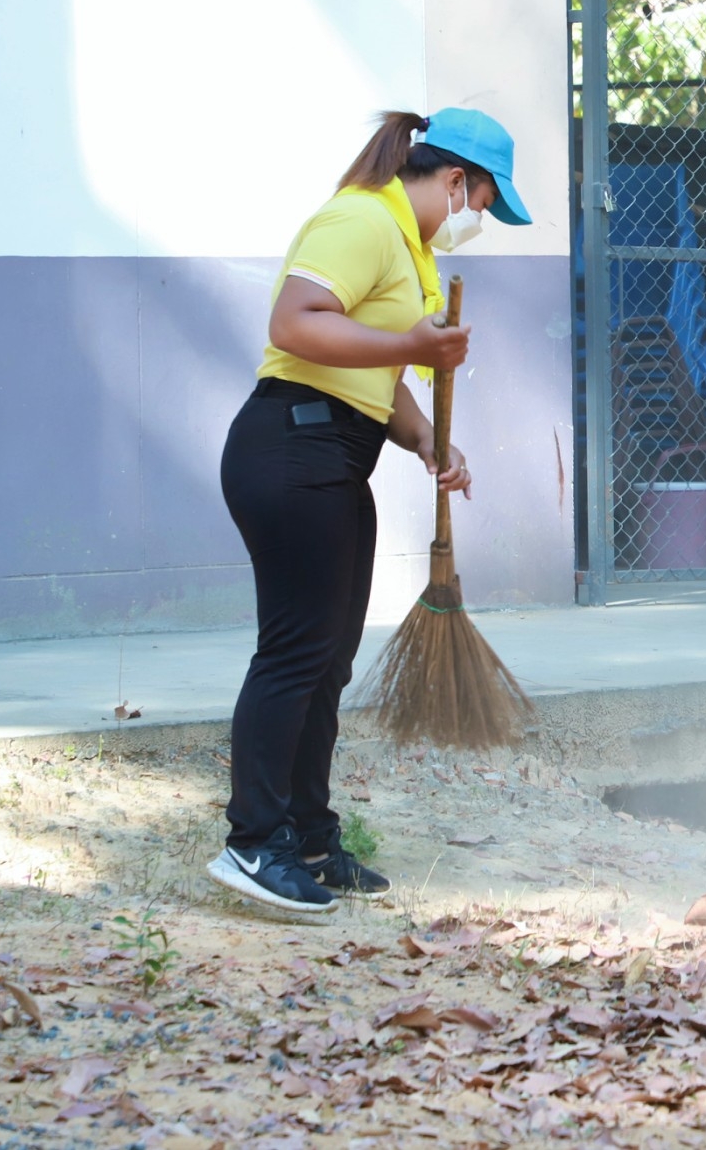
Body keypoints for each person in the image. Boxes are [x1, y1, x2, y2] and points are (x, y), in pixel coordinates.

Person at [207, 108, 532, 914]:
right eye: (486, 202)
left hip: (337, 455)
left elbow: (378, 383)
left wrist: (429, 442)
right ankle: (252, 842)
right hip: (289, 446)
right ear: (456, 180)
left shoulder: (410, 248)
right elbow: (295, 324)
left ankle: (308, 833)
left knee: (328, 658)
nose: (481, 219)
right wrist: (412, 348)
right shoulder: (360, 216)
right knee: (293, 652)